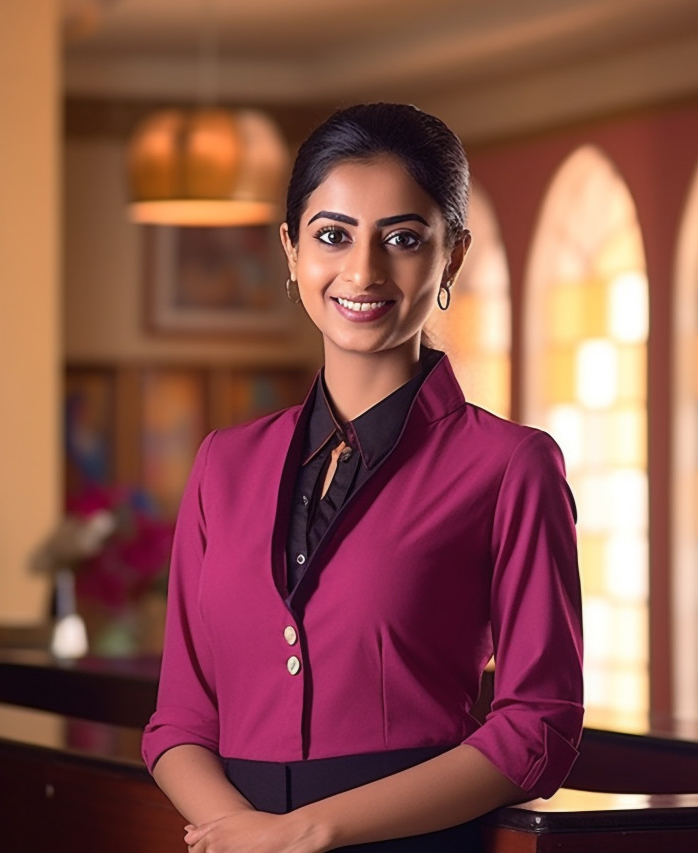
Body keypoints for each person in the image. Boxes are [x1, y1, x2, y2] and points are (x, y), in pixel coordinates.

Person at [141, 103, 583, 853]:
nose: (363, 271)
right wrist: (245, 837)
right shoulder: (223, 464)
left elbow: (539, 727)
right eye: (332, 235)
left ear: (452, 256)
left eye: (403, 238)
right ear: (291, 250)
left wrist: (308, 832)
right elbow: (180, 719)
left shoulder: (512, 467)